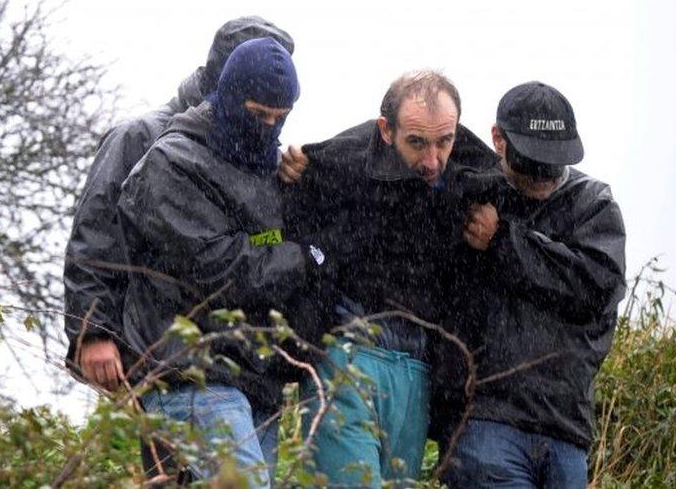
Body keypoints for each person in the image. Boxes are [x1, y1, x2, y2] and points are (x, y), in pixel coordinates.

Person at [117, 37, 321, 486]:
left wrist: (304, 191)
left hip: (256, 378)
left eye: (279, 118)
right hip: (190, 373)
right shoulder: (172, 164)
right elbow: (221, 269)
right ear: (229, 97)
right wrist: (304, 256)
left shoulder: (271, 169)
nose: (267, 127)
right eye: (257, 113)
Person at [279, 70, 497, 486]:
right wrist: (296, 172)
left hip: (417, 372)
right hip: (349, 353)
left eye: (444, 141)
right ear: (386, 129)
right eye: (416, 142)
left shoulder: (478, 181)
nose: (432, 160)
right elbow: (285, 227)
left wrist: (498, 235)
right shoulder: (343, 164)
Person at [63, 17, 294, 391]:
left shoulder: (259, 152)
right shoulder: (143, 137)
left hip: (233, 365)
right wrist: (93, 332)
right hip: (150, 352)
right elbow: (95, 236)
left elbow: (257, 252)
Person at [435, 82, 626, 488]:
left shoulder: (594, 204)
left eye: (553, 163)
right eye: (533, 162)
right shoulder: (473, 191)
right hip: (488, 420)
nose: (543, 176)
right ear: (498, 141)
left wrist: (503, 241)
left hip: (567, 429)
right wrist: (309, 163)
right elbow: (402, 131)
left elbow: (596, 288)